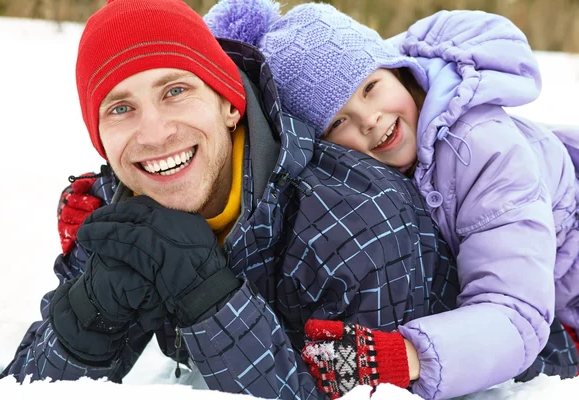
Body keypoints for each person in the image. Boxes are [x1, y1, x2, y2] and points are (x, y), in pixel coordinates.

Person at [0, 0, 460, 398]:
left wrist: (210, 298)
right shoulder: (121, 208)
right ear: (100, 138)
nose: (155, 133)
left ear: (229, 102)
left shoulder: (359, 220)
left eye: (175, 91)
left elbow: (370, 396)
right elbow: (17, 390)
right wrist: (92, 315)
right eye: (121, 108)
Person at [205, 0, 579, 398]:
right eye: (338, 121)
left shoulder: (483, 148)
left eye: (370, 88)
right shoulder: (376, 170)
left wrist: (408, 355)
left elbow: (515, 309)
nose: (369, 119)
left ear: (397, 70)